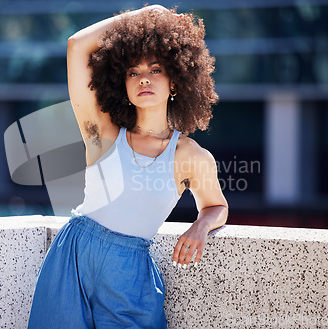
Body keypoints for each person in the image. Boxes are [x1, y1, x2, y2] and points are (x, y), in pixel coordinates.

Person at [27, 4, 228, 328]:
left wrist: (200, 227)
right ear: (123, 83)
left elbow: (216, 205)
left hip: (130, 275)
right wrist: (149, 14)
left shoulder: (190, 155)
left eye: (155, 70)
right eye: (133, 72)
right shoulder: (103, 133)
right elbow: (77, 46)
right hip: (72, 258)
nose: (143, 78)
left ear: (175, 81)